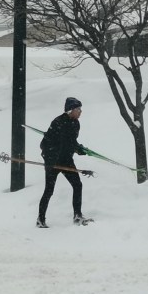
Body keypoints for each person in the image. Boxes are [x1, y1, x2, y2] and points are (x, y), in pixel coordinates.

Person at [37, 97, 88, 227]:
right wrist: (49, 160)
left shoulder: (76, 123)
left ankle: (77, 215)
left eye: (80, 109)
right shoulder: (57, 122)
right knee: (49, 190)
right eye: (78, 109)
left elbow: (71, 142)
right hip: (53, 162)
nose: (80, 112)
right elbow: (44, 144)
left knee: (77, 185)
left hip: (66, 161)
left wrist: (78, 149)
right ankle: (40, 220)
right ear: (70, 110)